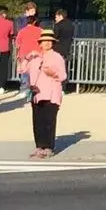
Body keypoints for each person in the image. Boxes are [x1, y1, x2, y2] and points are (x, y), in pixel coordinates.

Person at [26, 27, 68, 159]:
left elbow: (63, 76)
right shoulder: (35, 57)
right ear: (40, 43)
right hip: (37, 93)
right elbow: (22, 69)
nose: (47, 43)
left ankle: (49, 147)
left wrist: (53, 73)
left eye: (50, 41)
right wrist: (27, 57)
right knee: (37, 121)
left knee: (49, 121)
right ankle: (39, 146)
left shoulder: (57, 57)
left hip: (51, 93)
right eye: (44, 41)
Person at [13, 10, 43, 100]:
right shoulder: (40, 30)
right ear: (35, 21)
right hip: (37, 55)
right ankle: (35, 90)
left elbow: (17, 45)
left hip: (24, 55)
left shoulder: (21, 31)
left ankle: (24, 90)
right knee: (36, 74)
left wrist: (17, 56)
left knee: (25, 74)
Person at [51, 8, 77, 93]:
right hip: (66, 49)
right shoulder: (71, 25)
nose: (55, 18)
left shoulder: (58, 25)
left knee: (56, 69)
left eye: (56, 16)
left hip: (57, 49)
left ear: (60, 16)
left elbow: (54, 37)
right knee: (64, 68)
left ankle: (56, 86)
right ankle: (64, 87)